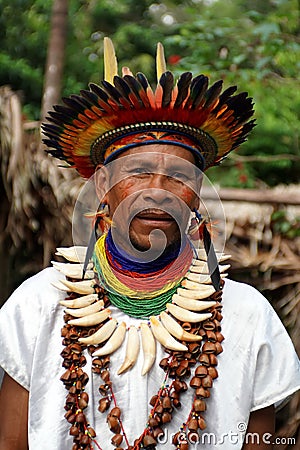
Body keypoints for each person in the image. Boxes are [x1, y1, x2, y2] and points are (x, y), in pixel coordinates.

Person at [0, 38, 299, 450]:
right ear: (103, 185)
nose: (158, 191)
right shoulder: (37, 307)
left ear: (197, 192)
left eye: (179, 176)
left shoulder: (247, 317)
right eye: (138, 171)